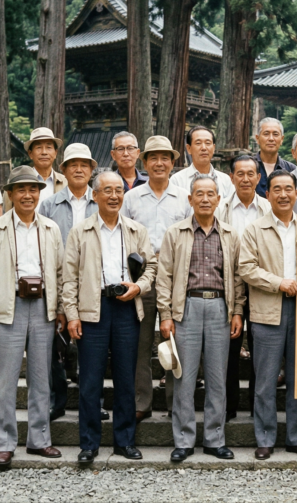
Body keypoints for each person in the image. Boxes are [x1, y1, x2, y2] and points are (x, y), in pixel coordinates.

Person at [63, 171, 157, 464]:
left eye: (118, 190)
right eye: (107, 190)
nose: (114, 196)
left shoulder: (136, 230)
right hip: (93, 310)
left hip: (127, 308)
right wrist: (72, 315)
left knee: (126, 378)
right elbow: (68, 278)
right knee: (90, 380)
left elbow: (152, 267)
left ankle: (124, 441)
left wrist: (138, 286)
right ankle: (89, 443)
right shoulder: (80, 231)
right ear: (95, 195)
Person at [0, 165, 65, 468]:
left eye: (33, 189)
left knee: (42, 378)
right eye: (21, 190)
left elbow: (61, 273)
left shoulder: (51, 228)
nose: (28, 195)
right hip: (7, 307)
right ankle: (4, 443)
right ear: (10, 194)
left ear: (40, 193)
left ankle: (40, 439)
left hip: (43, 308)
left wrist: (61, 309)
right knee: (5, 380)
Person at [156, 175, 246, 463]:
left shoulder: (231, 235)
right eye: (199, 194)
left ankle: (214, 439)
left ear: (219, 200)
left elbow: (238, 278)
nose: (205, 199)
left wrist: (237, 311)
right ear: (190, 199)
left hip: (220, 307)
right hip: (187, 309)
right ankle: (183, 440)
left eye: (211, 194)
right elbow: (164, 276)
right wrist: (166, 315)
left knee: (218, 378)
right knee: (184, 377)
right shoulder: (176, 233)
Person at [239, 170, 297, 460]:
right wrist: (278, 282)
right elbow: (246, 267)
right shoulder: (254, 229)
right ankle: (265, 438)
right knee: (265, 379)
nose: (283, 194)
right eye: (277, 190)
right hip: (266, 310)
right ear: (268, 194)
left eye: (288, 189)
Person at [120, 135, 192, 422]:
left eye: (165, 158)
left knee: (177, 341)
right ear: (144, 162)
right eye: (153, 158)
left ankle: (175, 403)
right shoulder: (131, 198)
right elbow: (122, 235)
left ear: (173, 163)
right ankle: (142, 401)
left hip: (177, 278)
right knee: (141, 342)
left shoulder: (184, 196)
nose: (159, 163)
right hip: (142, 278)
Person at [38, 143, 100, 422]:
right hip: (56, 279)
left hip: (93, 281)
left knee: (94, 347)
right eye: (73, 164)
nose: (78, 169)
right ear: (63, 170)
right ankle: (56, 399)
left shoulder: (100, 201)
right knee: (53, 345)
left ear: (91, 170)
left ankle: (95, 401)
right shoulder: (48, 204)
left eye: (84, 165)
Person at [215, 155, 271, 422]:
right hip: (227, 285)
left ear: (259, 178)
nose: (246, 178)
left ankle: (256, 406)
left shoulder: (269, 208)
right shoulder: (220, 208)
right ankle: (228, 406)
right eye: (241, 174)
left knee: (261, 349)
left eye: (251, 174)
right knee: (229, 347)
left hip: (263, 286)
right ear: (231, 177)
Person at [4, 127, 68, 212]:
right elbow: (7, 213)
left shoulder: (66, 183)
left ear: (55, 153)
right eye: (38, 147)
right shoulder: (15, 182)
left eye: (49, 147)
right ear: (30, 153)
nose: (44, 152)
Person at [171, 126, 236, 199]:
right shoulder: (177, 180)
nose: (204, 148)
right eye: (198, 143)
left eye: (208, 143)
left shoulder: (225, 180)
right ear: (189, 148)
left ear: (213, 148)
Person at [253, 118, 296, 196]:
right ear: (257, 138)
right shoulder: (247, 167)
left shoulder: (291, 170)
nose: (271, 138)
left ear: (282, 139)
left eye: (275, 134)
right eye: (266, 134)